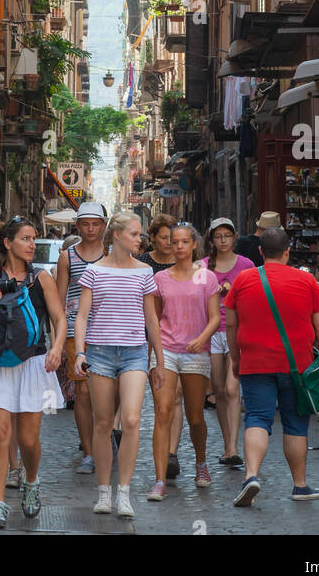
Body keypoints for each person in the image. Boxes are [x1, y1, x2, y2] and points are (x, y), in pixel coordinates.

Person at [0, 216, 66, 530]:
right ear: (8, 243)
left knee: (28, 439)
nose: (31, 244)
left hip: (34, 362)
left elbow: (59, 319)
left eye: (33, 239)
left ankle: (32, 481)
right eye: (25, 238)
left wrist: (57, 348)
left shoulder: (42, 278)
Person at [224, 227, 319, 506]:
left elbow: (232, 324)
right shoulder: (306, 281)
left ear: (260, 251)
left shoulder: (243, 280)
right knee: (295, 423)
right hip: (297, 364)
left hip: (255, 361)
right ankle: (299, 485)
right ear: (288, 251)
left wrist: (235, 358)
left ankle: (251, 476)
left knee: (258, 418)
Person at [73, 210, 165, 520]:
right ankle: (103, 493)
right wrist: (79, 354)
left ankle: (124, 493)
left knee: (131, 419)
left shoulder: (144, 272)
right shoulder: (95, 271)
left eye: (140, 234)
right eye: (135, 234)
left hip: (135, 353)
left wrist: (160, 362)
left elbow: (152, 319)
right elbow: (82, 316)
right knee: (102, 423)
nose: (141, 239)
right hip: (98, 353)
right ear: (117, 236)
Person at [148, 224, 221, 500]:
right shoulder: (161, 279)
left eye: (184, 242)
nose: (178, 246)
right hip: (165, 350)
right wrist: (152, 356)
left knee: (195, 417)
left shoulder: (206, 277)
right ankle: (159, 479)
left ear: (193, 245)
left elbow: (215, 316)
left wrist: (202, 338)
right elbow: (154, 318)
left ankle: (201, 463)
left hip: (195, 351)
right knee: (163, 412)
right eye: (174, 241)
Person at [55, 200, 107, 474]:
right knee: (83, 392)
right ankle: (89, 452)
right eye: (85, 224)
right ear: (78, 226)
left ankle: (104, 436)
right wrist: (58, 340)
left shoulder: (112, 254)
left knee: (107, 392)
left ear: (104, 226)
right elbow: (59, 300)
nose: (90, 229)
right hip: (77, 329)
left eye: (95, 224)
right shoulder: (68, 257)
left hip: (108, 331)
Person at [206, 216, 255, 467]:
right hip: (212, 333)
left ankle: (234, 448)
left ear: (234, 238)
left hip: (238, 331)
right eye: (218, 236)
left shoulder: (246, 265)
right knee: (219, 391)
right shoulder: (203, 266)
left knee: (232, 389)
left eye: (227, 235)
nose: (223, 240)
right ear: (212, 240)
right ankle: (227, 446)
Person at [140, 212, 184, 479]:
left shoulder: (184, 264)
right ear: (153, 238)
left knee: (174, 396)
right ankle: (118, 434)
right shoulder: (142, 264)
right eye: (165, 237)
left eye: (174, 238)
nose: (170, 243)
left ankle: (171, 454)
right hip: (143, 334)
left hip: (175, 335)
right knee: (151, 394)